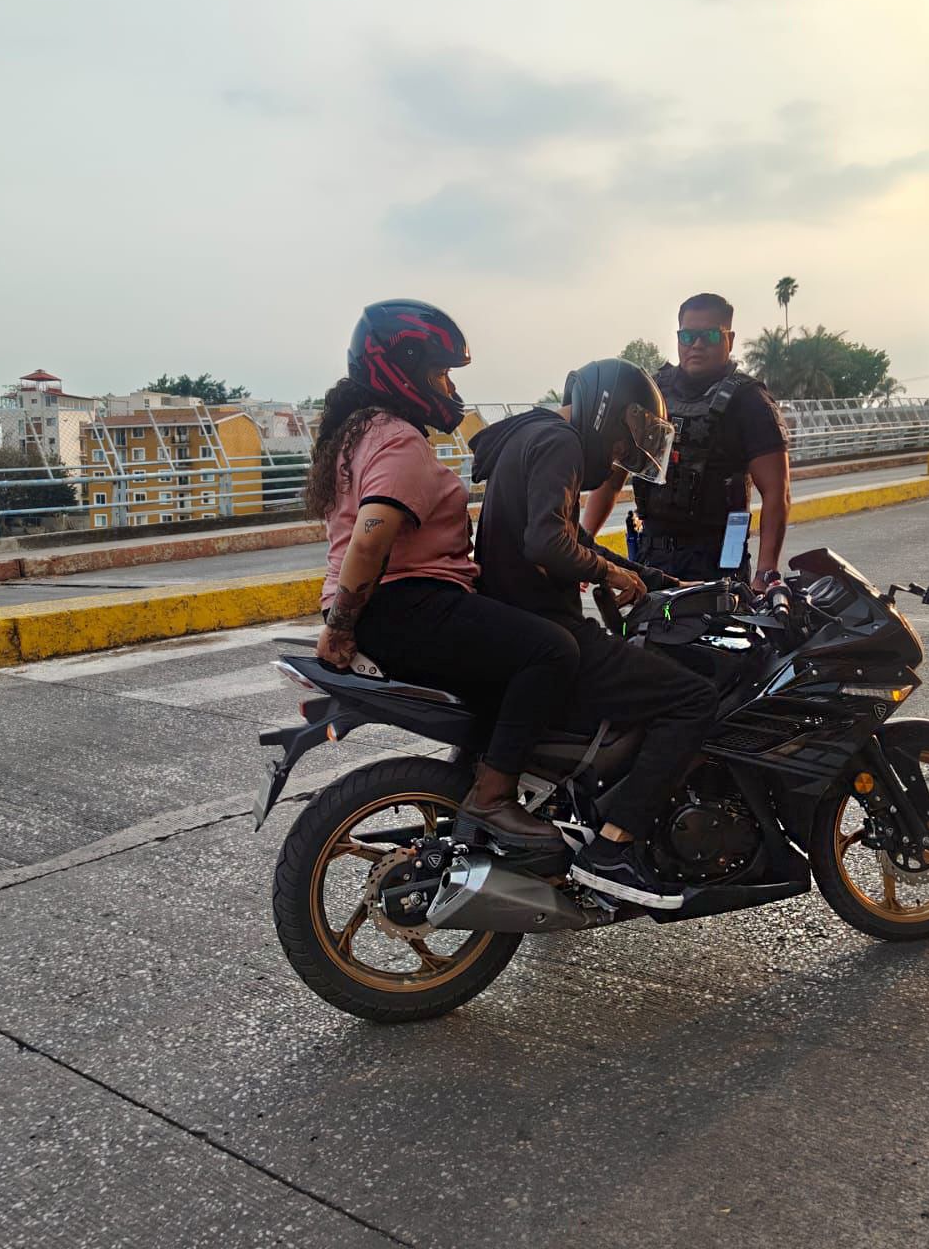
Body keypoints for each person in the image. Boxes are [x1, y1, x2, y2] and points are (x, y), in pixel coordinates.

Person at [310, 299, 581, 852]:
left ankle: (469, 783)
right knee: (552, 650)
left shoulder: (360, 431)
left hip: (391, 605)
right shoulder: (398, 439)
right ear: (403, 369)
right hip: (404, 605)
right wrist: (339, 628)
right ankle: (493, 799)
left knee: (502, 676)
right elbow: (370, 536)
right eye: (440, 374)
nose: (450, 389)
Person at [470, 358, 719, 910]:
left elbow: (572, 540)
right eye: (622, 442)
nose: (617, 458)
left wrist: (655, 579)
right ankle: (614, 847)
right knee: (693, 699)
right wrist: (611, 573)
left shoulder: (530, 435)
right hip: (548, 630)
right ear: (608, 412)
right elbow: (546, 543)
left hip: (520, 624)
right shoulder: (558, 442)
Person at [583, 292, 791, 590]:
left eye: (710, 335)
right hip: (651, 558)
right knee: (651, 622)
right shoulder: (652, 393)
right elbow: (611, 480)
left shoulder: (751, 401)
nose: (697, 344)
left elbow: (776, 492)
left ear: (729, 339)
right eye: (687, 336)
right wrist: (584, 544)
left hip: (717, 561)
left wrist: (765, 572)